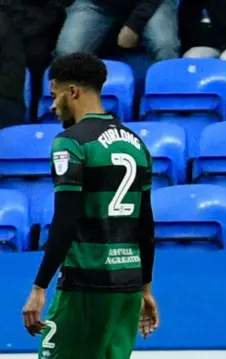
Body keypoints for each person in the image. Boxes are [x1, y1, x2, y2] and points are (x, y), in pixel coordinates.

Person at [21, 52, 159, 359]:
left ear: (72, 92)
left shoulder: (71, 142)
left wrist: (39, 287)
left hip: (86, 284)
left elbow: (66, 220)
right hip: (128, 285)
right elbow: (145, 223)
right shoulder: (137, 144)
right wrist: (145, 289)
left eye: (55, 96)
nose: (53, 107)